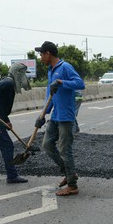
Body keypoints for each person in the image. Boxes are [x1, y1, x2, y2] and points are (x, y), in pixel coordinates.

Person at [34, 41, 85, 196]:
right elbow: (50, 96)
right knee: (47, 145)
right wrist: (43, 115)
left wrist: (62, 82)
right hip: (55, 116)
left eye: (41, 54)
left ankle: (72, 185)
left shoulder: (65, 67)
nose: (40, 57)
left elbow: (80, 84)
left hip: (66, 117)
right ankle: (70, 173)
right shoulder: (51, 71)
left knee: (65, 149)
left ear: (48, 53)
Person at [0, 63, 30, 183]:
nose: (24, 77)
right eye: (22, 74)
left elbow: (1, 105)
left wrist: (7, 121)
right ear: (17, 73)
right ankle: (12, 176)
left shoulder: (9, 85)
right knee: (7, 145)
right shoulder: (8, 82)